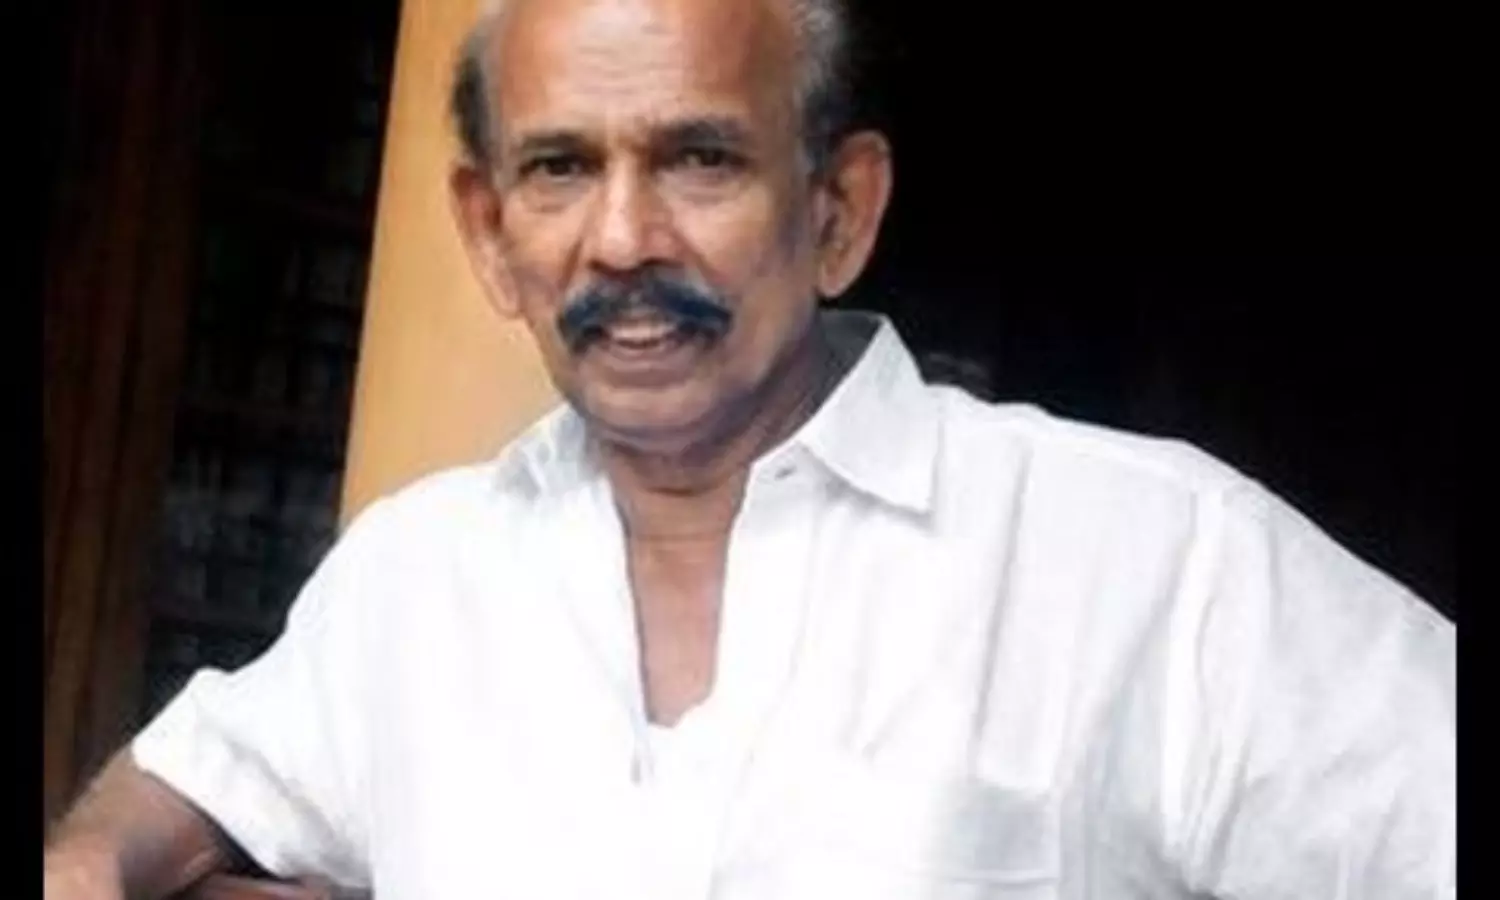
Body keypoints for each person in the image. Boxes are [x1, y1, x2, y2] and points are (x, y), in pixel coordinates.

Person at [43, 0, 1455, 897]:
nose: (621, 240)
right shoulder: (416, 579)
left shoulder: (1151, 557)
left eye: (699, 158)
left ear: (840, 210)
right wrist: (92, 864)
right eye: (560, 167)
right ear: (489, 233)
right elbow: (193, 786)